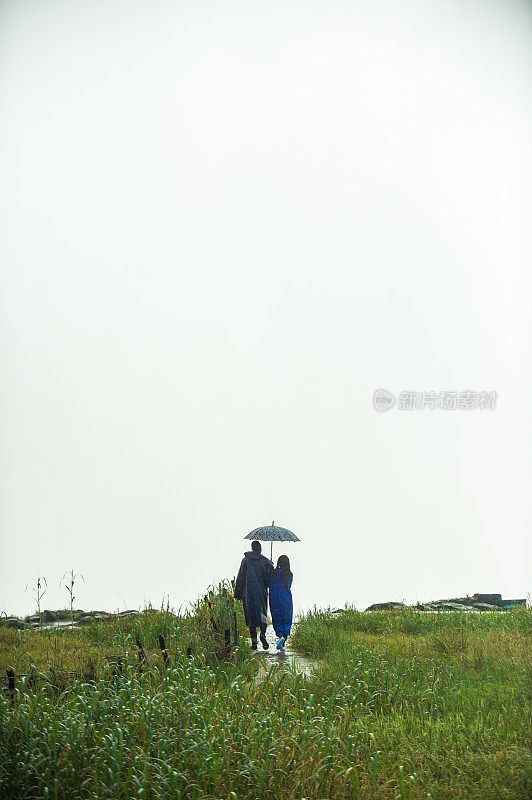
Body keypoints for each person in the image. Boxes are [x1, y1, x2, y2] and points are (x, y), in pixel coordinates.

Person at [234, 540, 273, 650]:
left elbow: (240, 577)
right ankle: (262, 635)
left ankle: (254, 643)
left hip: (248, 594)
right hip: (261, 593)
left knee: (250, 617)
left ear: (252, 548)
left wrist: (237, 594)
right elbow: (269, 579)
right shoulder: (265, 562)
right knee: (262, 615)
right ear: (260, 549)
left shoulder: (245, 561)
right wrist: (271, 566)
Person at [268, 554, 293, 651]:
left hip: (275, 599)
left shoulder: (273, 573)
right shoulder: (289, 574)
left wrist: (270, 566)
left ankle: (280, 637)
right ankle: (283, 642)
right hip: (286, 599)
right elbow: (289, 585)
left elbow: (269, 584)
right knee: (286, 619)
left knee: (277, 619)